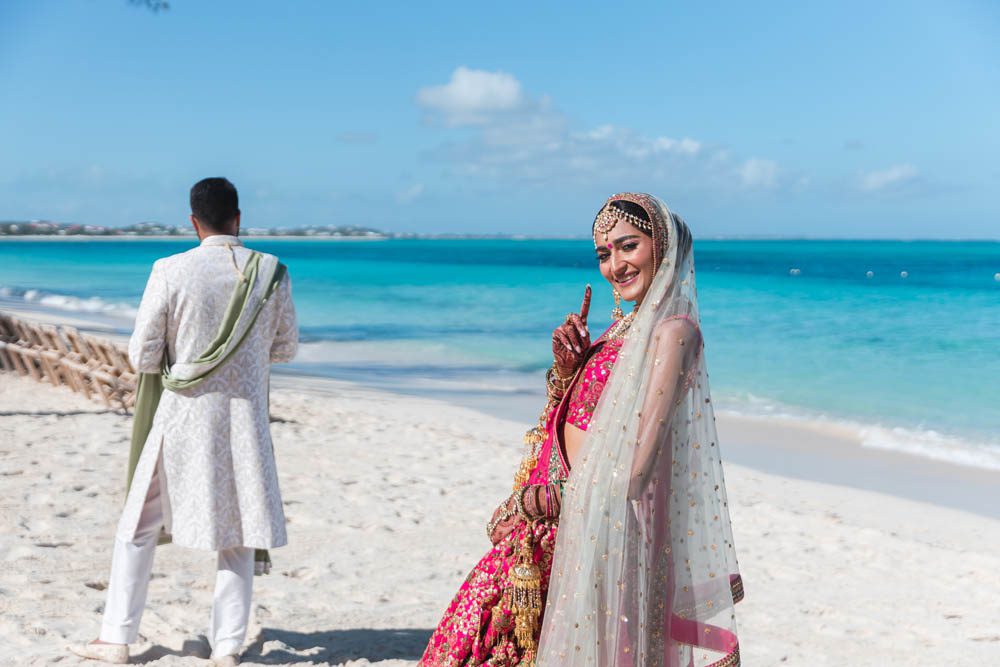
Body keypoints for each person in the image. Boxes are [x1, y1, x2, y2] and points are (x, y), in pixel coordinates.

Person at [421, 193, 742, 666]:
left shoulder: (672, 332)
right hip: (553, 528)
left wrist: (543, 500)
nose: (616, 265)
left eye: (629, 246)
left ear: (664, 247)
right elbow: (572, 424)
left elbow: (634, 471)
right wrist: (568, 371)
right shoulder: (620, 331)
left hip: (597, 534)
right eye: (604, 254)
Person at [70, 177, 298, 666]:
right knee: (237, 535)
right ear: (239, 218)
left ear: (192, 222)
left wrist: (187, 356)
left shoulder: (170, 270)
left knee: (138, 525)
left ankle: (116, 637)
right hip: (245, 422)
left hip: (182, 418)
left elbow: (143, 356)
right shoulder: (272, 272)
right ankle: (228, 646)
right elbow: (286, 347)